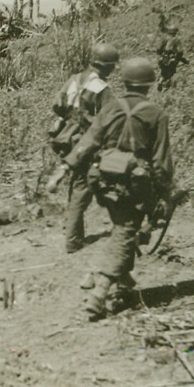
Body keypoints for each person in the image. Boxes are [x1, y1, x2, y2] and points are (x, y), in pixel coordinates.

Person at [48, 58, 174, 321]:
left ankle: (126, 285)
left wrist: (62, 171)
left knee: (122, 229)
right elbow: (161, 163)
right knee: (127, 231)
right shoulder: (156, 114)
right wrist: (166, 194)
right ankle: (99, 290)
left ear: (125, 81)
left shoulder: (110, 109)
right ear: (149, 85)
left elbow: (87, 143)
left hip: (104, 182)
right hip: (135, 185)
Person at [47, 43, 119, 254]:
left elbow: (57, 105)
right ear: (106, 66)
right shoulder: (101, 88)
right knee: (84, 188)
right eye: (112, 67)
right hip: (87, 143)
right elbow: (110, 118)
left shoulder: (74, 80)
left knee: (80, 184)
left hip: (68, 140)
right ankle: (73, 239)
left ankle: (73, 229)